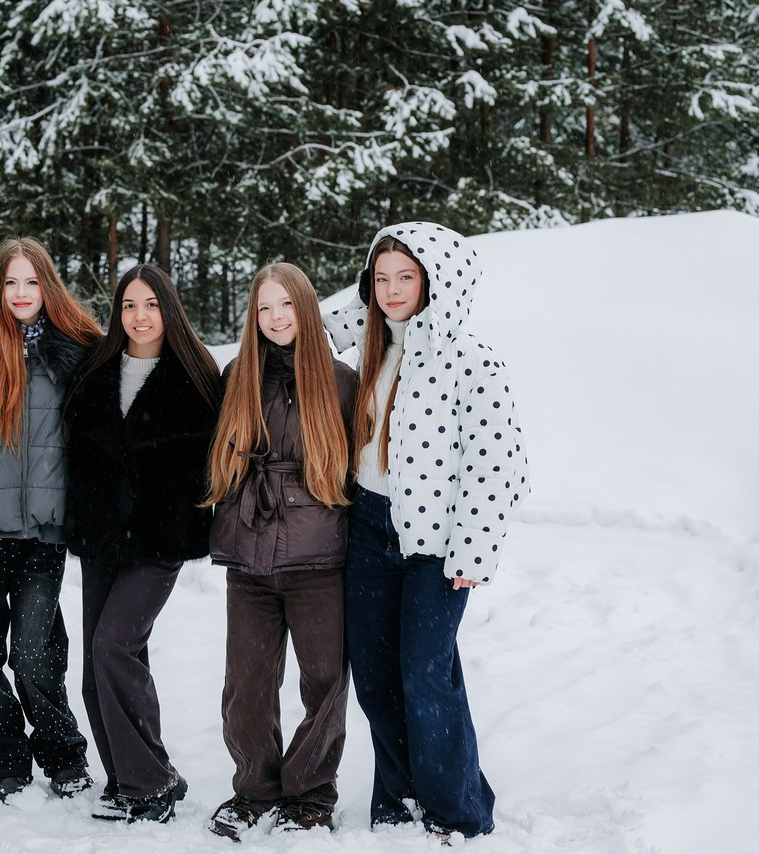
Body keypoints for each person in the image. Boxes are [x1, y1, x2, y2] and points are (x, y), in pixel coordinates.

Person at [323, 222, 529, 843]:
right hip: (368, 526)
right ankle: (399, 796)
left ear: (437, 280)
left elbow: (498, 463)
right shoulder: (372, 344)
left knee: (426, 673)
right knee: (377, 674)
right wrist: (372, 284)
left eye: (405, 277)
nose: (390, 290)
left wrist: (472, 549)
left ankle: (456, 810)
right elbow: (326, 317)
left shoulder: (471, 358)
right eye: (380, 278)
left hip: (436, 545)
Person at [202, 263, 358, 839]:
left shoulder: (340, 380)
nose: (274, 319)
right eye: (264, 308)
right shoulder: (237, 374)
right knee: (246, 686)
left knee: (323, 681)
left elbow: (358, 472)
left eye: (285, 306)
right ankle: (255, 787)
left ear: (306, 309)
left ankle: (311, 792)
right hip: (248, 557)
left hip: (319, 560)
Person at [64, 264, 221, 824]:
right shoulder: (95, 371)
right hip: (102, 537)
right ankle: (127, 776)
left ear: (169, 309)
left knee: (114, 646)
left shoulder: (198, 375)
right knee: (97, 665)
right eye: (129, 305)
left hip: (160, 541)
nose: (139, 316)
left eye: (151, 304)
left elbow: (218, 461)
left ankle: (150, 782)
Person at [0, 237, 102, 805]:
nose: (21, 294)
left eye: (31, 282)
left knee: (36, 649)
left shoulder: (74, 347)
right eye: (10, 282)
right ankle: (6, 763)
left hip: (44, 529)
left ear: (48, 285)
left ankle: (64, 756)